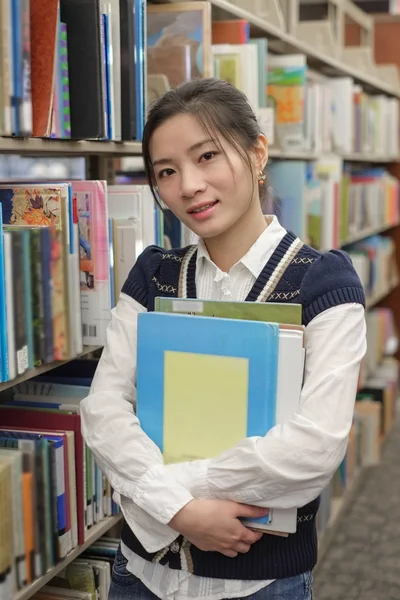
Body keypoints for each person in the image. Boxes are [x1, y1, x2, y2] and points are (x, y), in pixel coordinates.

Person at [80, 78, 367, 600]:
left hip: (260, 584)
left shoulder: (325, 282)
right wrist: (183, 512)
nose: (189, 185)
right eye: (166, 171)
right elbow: (103, 408)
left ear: (257, 153)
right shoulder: (152, 275)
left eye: (207, 156)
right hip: (139, 576)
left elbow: (315, 445)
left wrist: (169, 493)